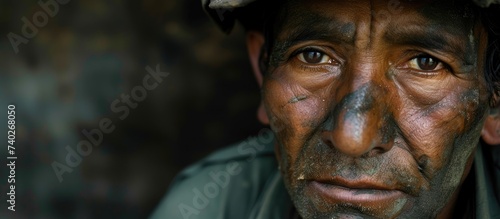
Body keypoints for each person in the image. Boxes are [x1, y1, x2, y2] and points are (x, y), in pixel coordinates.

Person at [150, 0, 500, 218]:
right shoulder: (209, 207)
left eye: (426, 63)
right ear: (263, 71)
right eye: (313, 56)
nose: (352, 138)